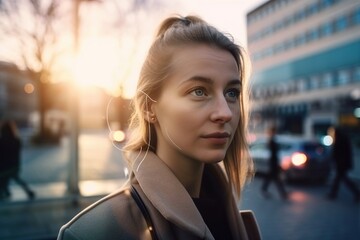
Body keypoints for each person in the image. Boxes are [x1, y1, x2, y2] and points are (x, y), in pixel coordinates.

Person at [58, 15, 260, 240]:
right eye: (199, 91)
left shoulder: (229, 216)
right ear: (148, 107)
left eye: (232, 93)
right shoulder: (93, 234)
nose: (225, 112)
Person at [0, 120, 35, 200]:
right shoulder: (16, 140)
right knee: (16, 179)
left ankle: (5, 192)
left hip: (4, 167)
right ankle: (28, 191)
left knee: (3, 180)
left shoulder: (1, 141)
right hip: (15, 166)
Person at [327, 126, 360, 203]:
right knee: (339, 179)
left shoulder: (339, 140)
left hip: (341, 164)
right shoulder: (343, 139)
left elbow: (336, 153)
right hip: (343, 164)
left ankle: (356, 192)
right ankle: (333, 193)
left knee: (343, 179)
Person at [261, 126, 288, 200]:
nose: (275, 133)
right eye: (274, 131)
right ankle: (283, 193)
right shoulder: (271, 140)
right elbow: (273, 152)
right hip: (273, 162)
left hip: (274, 162)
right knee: (276, 178)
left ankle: (264, 189)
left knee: (272, 178)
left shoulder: (272, 140)